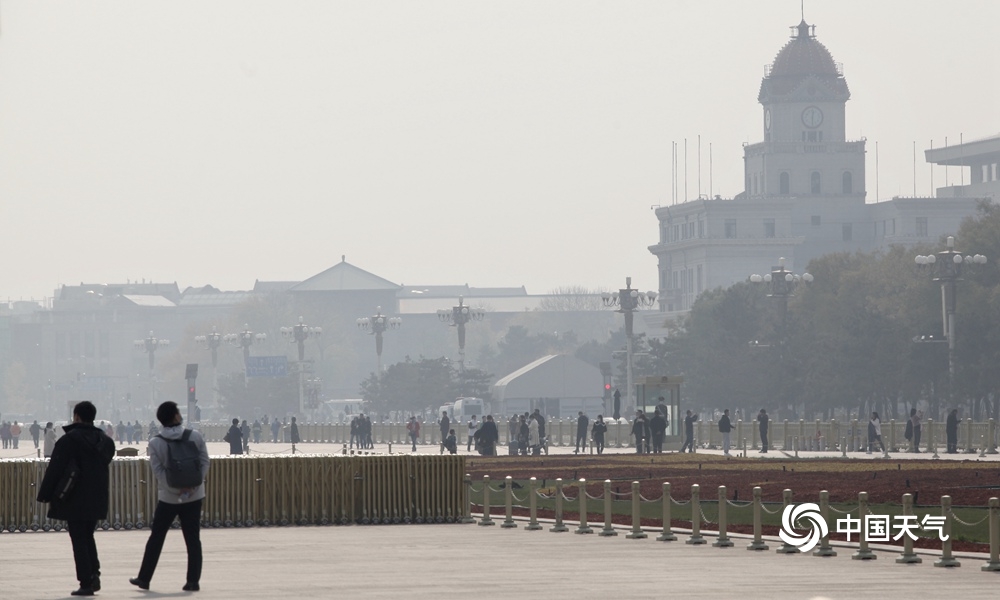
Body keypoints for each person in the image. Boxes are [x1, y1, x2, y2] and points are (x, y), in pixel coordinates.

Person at [36, 401, 115, 596]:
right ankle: (94, 574)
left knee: (79, 539)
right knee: (88, 536)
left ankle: (86, 582)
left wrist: (45, 495)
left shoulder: (69, 440)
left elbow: (55, 469)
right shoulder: (105, 441)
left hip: (74, 498)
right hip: (97, 497)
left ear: (77, 416)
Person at [130, 401, 210, 592]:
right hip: (194, 496)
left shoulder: (156, 443)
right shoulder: (195, 436)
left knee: (157, 537)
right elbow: (205, 462)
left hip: (168, 499)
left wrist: (176, 491)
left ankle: (144, 578)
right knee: (193, 539)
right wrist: (192, 488)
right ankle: (192, 581)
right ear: (175, 416)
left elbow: (159, 472)